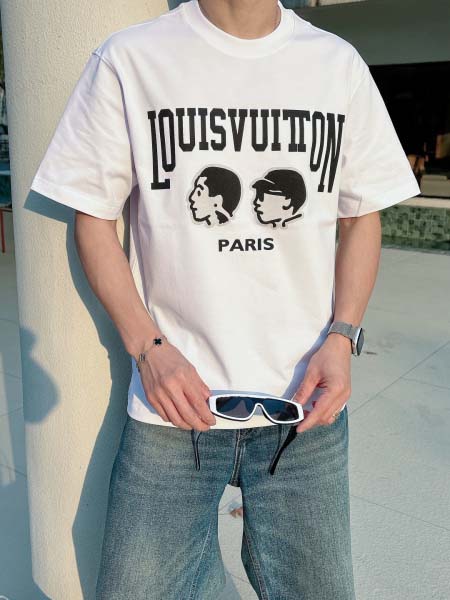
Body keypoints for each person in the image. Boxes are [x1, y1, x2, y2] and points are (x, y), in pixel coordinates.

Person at [30, 1, 420, 598]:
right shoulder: (131, 58)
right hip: (174, 408)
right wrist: (149, 350)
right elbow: (93, 217)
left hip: (303, 409)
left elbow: (362, 216)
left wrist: (343, 338)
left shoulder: (335, 63)